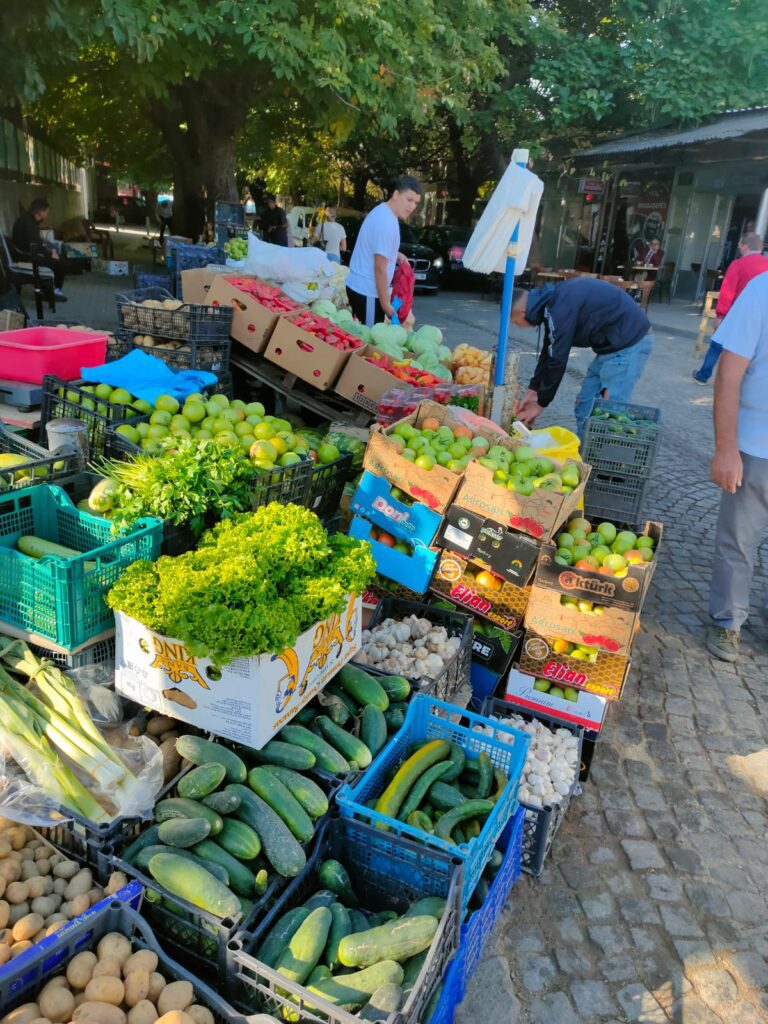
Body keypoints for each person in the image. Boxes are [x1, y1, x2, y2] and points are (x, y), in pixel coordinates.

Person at [705, 272, 768, 662]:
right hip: (756, 445)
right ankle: (728, 622)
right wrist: (726, 448)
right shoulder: (762, 290)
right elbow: (729, 373)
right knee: (739, 541)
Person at [512, 278, 653, 434]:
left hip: (630, 342)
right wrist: (533, 391)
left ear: (523, 312)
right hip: (611, 346)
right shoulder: (550, 303)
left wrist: (540, 404)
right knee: (584, 405)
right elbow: (549, 350)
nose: (518, 326)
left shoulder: (558, 307)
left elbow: (558, 359)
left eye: (516, 322)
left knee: (612, 412)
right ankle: (584, 452)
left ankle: (603, 456)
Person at [693, 231, 768, 385]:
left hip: (736, 312)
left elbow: (727, 291)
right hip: (761, 314)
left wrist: (719, 315)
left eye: (740, 245)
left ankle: (703, 375)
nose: (739, 248)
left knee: (717, 344)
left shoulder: (738, 264)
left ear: (745, 246)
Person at [346, 175, 421, 326]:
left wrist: (395, 254)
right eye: (409, 199)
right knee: (369, 342)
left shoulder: (383, 212)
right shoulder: (386, 222)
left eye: (416, 203)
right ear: (395, 194)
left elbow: (376, 247)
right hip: (367, 292)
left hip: (362, 289)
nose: (412, 206)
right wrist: (386, 304)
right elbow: (380, 268)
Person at [11, 198, 71, 300]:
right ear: (41, 212)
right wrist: (50, 254)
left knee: (59, 257)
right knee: (60, 262)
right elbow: (35, 246)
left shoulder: (26, 219)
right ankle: (52, 292)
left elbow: (35, 243)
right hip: (26, 257)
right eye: (47, 211)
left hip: (25, 254)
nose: (47, 214)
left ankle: (48, 290)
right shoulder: (29, 223)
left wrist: (49, 251)